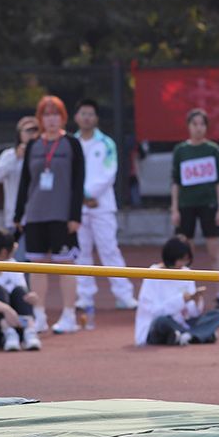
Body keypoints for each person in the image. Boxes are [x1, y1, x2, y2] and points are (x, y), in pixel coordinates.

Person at [13, 95, 85, 334]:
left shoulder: (72, 143)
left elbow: (78, 182)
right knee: (37, 266)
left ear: (63, 118)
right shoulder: (33, 145)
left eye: (56, 114)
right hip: (35, 214)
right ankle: (39, 314)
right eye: (47, 115)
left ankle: (69, 314)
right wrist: (18, 214)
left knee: (66, 265)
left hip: (62, 215)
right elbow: (25, 182)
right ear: (40, 119)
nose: (51, 119)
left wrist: (75, 216)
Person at [72, 98, 137, 322]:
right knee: (81, 252)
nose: (87, 118)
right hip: (78, 207)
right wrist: (81, 198)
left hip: (102, 205)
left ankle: (124, 295)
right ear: (76, 117)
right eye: (83, 113)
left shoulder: (106, 143)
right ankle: (84, 296)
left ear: (96, 118)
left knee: (109, 249)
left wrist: (89, 195)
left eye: (90, 114)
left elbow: (110, 173)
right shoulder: (71, 143)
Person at [169, 107, 219, 307]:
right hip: (186, 205)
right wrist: (174, 209)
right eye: (194, 124)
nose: (198, 128)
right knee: (185, 251)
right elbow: (176, 182)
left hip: (208, 205)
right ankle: (184, 293)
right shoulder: (180, 151)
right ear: (188, 126)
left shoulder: (213, 150)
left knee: (214, 249)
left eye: (202, 124)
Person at [133, 237, 219, 346]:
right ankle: (200, 334)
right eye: (181, 260)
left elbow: (192, 314)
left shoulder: (186, 272)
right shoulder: (152, 274)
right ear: (171, 258)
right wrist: (181, 300)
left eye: (186, 260)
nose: (183, 263)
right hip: (158, 325)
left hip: (183, 323)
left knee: (217, 315)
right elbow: (153, 312)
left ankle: (186, 336)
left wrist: (196, 301)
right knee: (161, 322)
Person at [0, 116, 40, 232]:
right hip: (15, 216)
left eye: (35, 130)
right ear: (19, 134)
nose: (32, 134)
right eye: (28, 131)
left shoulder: (45, 154)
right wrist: (16, 158)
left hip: (39, 215)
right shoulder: (9, 155)